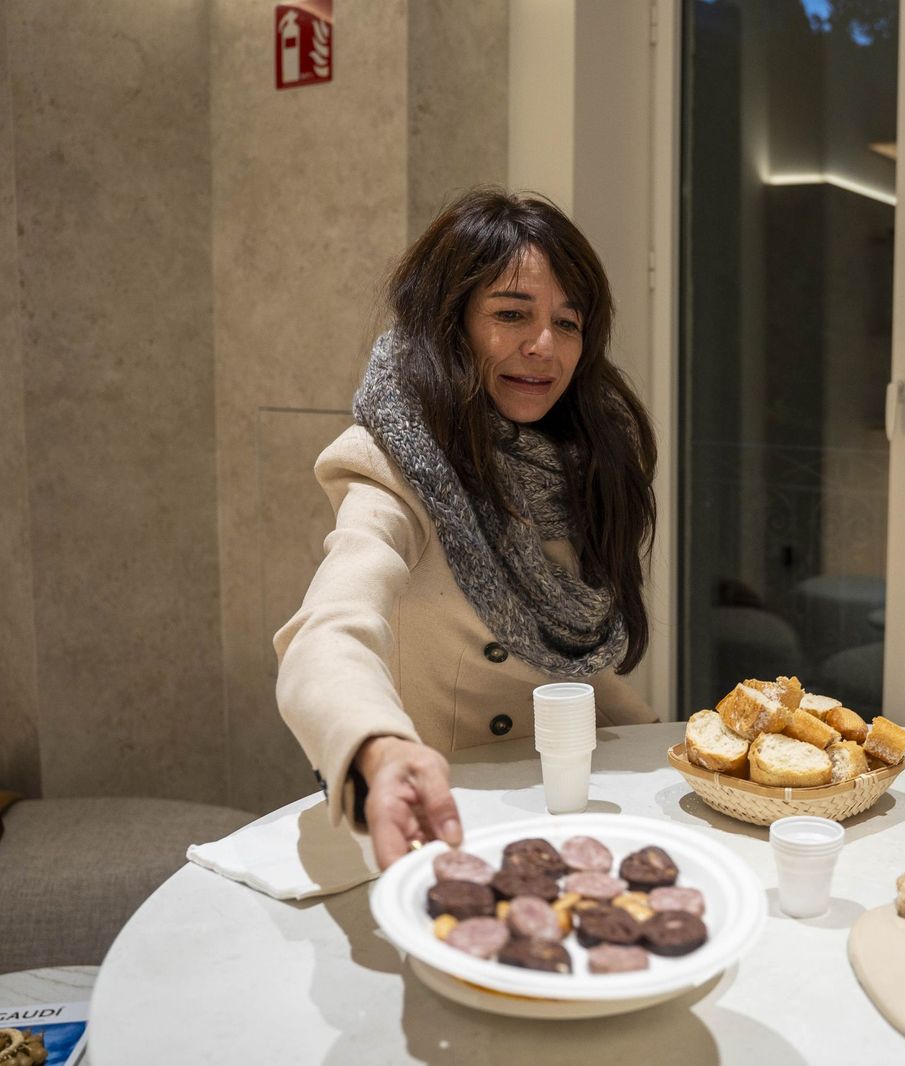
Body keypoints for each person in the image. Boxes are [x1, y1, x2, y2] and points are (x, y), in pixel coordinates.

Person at [275, 188, 658, 869]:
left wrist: (670, 749)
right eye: (512, 314)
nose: (543, 346)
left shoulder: (588, 459)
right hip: (442, 820)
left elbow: (567, 666)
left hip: (562, 809)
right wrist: (379, 747)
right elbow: (327, 632)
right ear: (450, 323)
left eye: (568, 323)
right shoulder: (395, 461)